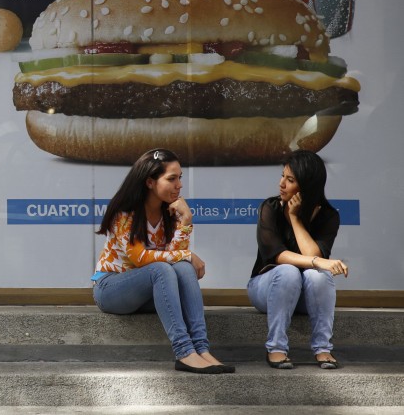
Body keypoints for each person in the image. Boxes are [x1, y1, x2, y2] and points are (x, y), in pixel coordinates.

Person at [92, 148, 233, 374]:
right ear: (150, 182)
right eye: (171, 179)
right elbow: (140, 259)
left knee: (183, 269)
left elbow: (175, 260)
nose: (179, 185)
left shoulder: (171, 212)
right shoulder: (124, 212)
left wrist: (185, 221)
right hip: (111, 289)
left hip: (147, 292)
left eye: (180, 178)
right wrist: (186, 254)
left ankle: (202, 349)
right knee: (162, 268)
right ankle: (184, 352)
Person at [247, 149, 349, 369]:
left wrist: (295, 219)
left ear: (307, 186)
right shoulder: (270, 208)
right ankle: (276, 348)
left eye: (290, 180)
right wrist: (318, 262)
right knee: (289, 271)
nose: (281, 184)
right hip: (266, 287)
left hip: (307, 294)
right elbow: (278, 256)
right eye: (282, 176)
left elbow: (313, 256)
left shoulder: (329, 216)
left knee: (318, 277)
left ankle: (323, 349)